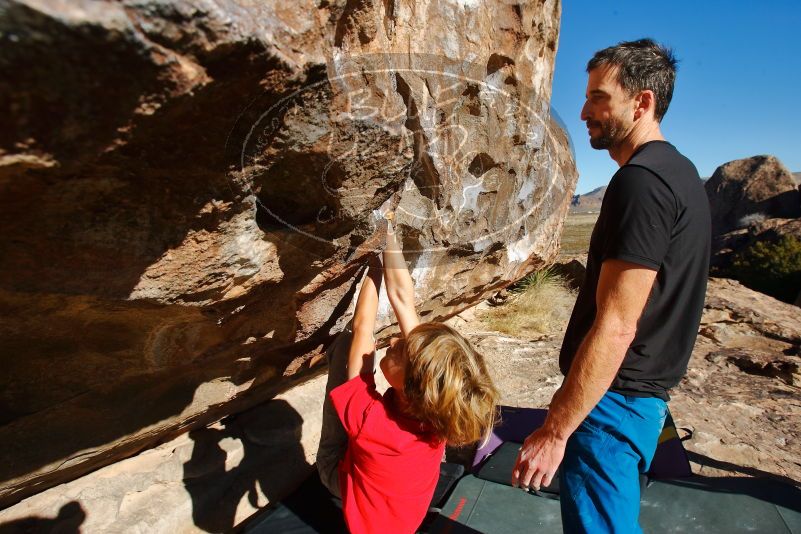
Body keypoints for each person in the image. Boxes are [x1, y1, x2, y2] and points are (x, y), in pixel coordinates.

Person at [511, 39, 711, 533]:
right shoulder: (681, 173)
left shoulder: (641, 182)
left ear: (641, 102)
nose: (583, 111)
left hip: (613, 405)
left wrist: (556, 430)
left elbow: (618, 323)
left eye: (598, 97)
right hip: (639, 401)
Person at [316, 217, 499, 534]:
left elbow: (362, 329)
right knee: (355, 377)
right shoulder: (441, 409)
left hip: (343, 477)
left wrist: (370, 265)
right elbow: (402, 296)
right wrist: (386, 231)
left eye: (399, 352)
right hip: (402, 516)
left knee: (348, 347)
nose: (396, 341)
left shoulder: (373, 424)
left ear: (412, 390)